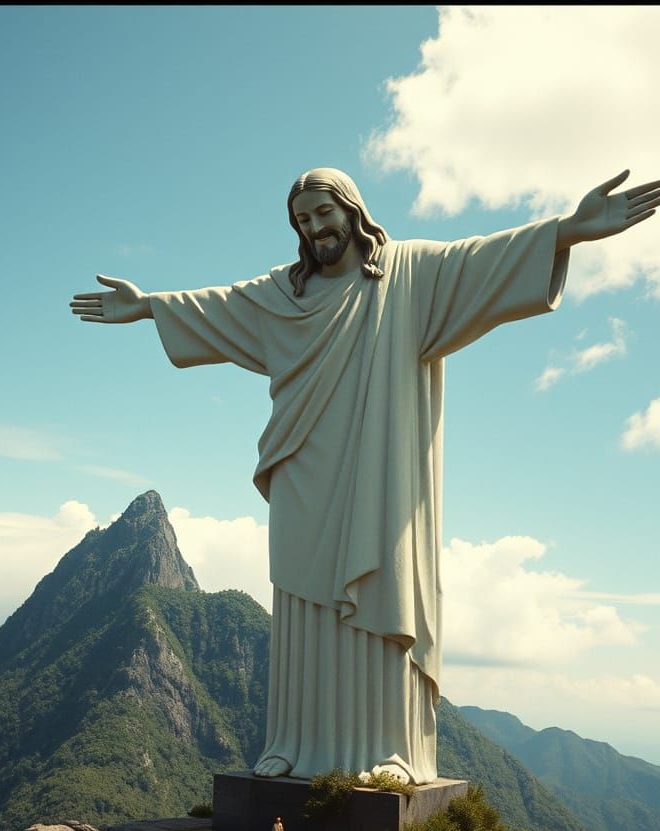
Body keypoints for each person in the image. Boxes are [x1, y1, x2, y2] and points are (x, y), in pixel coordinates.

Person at [71, 167, 659, 785]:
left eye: (322, 213)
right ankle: (295, 744)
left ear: (352, 210)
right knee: (301, 604)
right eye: (301, 220)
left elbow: (482, 260)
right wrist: (148, 307)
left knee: (381, 591)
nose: (314, 227)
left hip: (381, 473)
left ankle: (391, 749)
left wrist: (566, 232)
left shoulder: (408, 274)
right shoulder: (286, 294)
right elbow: (222, 304)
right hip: (302, 472)